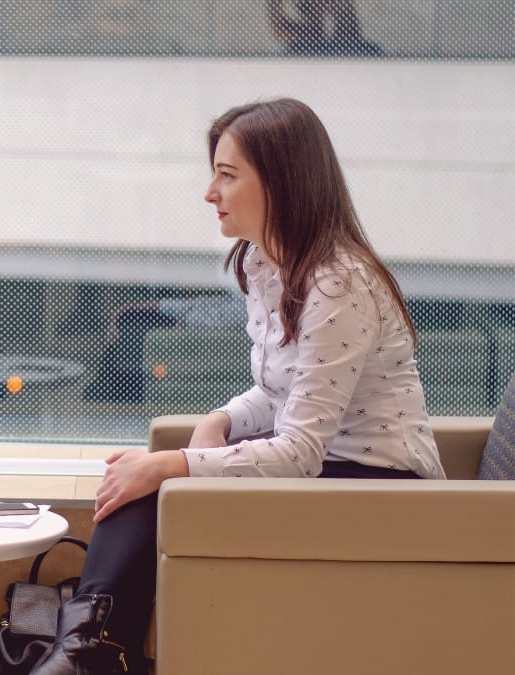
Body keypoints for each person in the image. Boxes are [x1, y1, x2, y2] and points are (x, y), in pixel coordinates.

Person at [31, 97, 446, 675]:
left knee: (155, 478)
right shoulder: (263, 262)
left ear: (282, 183)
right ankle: (88, 649)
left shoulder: (338, 285)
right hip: (331, 469)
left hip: (384, 489)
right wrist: (219, 421)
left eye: (227, 175)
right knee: (143, 478)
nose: (210, 193)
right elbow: (278, 392)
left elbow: (300, 452)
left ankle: (87, 652)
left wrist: (177, 462)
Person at [83, 289, 247, 402]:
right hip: (181, 317)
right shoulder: (231, 293)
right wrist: (123, 310)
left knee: (133, 330)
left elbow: (220, 319)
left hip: (182, 328)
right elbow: (192, 304)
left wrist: (184, 320)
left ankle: (113, 386)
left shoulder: (248, 305)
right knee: (128, 317)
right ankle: (104, 380)